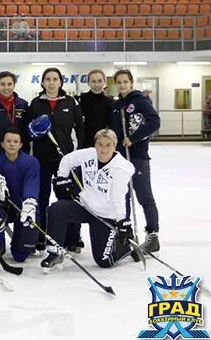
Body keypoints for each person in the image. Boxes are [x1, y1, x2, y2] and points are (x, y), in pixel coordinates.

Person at [41, 129, 137, 271]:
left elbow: (118, 198)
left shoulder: (120, 169)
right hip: (85, 206)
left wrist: (122, 221)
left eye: (108, 145)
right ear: (95, 144)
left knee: (104, 261)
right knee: (57, 209)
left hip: (104, 215)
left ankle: (126, 247)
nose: (103, 149)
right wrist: (62, 177)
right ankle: (55, 252)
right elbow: (67, 159)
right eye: (100, 144)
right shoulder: (89, 154)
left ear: (114, 145)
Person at [28, 67, 83, 252]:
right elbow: (28, 132)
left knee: (67, 199)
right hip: (42, 160)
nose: (51, 83)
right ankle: (41, 236)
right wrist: (33, 132)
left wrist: (75, 156)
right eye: (48, 79)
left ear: (61, 82)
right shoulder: (35, 103)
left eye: (55, 79)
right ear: (42, 82)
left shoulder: (71, 102)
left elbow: (79, 130)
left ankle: (72, 238)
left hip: (66, 161)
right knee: (41, 199)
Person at [109, 69, 161, 254]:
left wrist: (134, 138)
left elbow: (154, 122)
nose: (122, 85)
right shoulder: (116, 105)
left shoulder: (140, 100)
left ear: (131, 82)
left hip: (137, 156)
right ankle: (126, 235)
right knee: (123, 197)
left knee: (144, 195)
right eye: (119, 82)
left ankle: (153, 235)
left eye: (125, 81)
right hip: (120, 158)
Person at [0, 128, 39, 263]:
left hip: (23, 207)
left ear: (21, 145)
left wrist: (29, 202)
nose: (12, 144)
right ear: (2, 144)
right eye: (8, 141)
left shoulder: (30, 162)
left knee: (20, 256)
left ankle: (22, 243)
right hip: (2, 206)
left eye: (15, 141)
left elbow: (31, 185)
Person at [0, 71, 29, 158]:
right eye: (3, 84)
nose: (6, 88)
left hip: (19, 155)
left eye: (9, 84)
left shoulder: (23, 105)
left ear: (14, 85)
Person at [78, 69, 112, 148]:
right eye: (93, 81)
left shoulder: (110, 102)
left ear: (104, 82)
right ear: (88, 83)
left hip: (103, 144)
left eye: (100, 81)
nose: (97, 85)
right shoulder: (80, 100)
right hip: (84, 144)